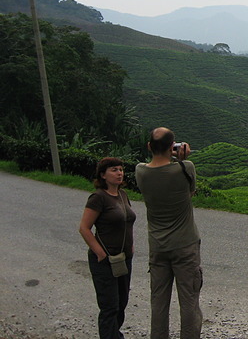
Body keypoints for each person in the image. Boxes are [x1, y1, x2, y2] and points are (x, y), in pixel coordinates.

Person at [135, 127, 202, 339]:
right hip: (185, 245)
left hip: (157, 246)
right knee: (189, 301)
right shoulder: (185, 168)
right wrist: (181, 159)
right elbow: (190, 192)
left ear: (149, 147)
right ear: (173, 147)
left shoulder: (140, 171)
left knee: (158, 302)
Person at [79, 157, 137, 339]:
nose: (119, 173)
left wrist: (131, 246)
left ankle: (114, 334)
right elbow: (84, 228)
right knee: (109, 305)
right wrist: (100, 252)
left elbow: (127, 222)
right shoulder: (98, 198)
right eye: (114, 170)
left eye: (120, 169)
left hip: (124, 258)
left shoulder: (123, 195)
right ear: (103, 175)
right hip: (106, 261)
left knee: (122, 302)